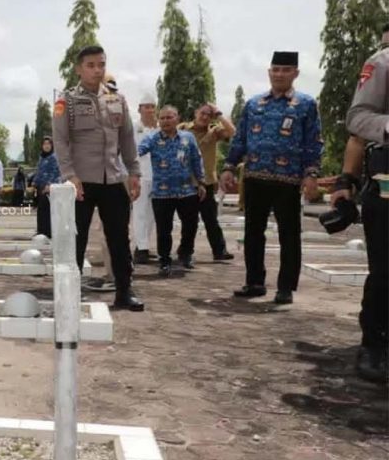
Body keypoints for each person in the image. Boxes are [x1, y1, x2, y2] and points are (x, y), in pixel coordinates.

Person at [220, 51, 323, 304]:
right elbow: (240, 138)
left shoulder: (306, 104)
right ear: (269, 72)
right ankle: (255, 282)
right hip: (255, 177)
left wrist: (311, 174)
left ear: (295, 73)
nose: (279, 74)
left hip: (288, 179)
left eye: (285, 70)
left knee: (289, 235)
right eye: (275, 69)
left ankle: (285, 287)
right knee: (253, 233)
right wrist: (229, 167)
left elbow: (313, 142)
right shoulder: (254, 104)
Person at [52, 45, 144, 311]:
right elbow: (61, 140)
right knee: (76, 240)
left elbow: (127, 139)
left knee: (119, 239)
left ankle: (124, 292)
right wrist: (70, 175)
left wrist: (134, 172)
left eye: (101, 64)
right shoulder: (66, 101)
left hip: (113, 178)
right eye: (91, 65)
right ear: (79, 69)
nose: (97, 70)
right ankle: (70, 294)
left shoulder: (117, 100)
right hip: (80, 182)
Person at [339, 21, 389, 380]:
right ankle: (375, 343)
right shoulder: (383, 62)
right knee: (386, 270)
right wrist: (347, 180)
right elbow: (357, 119)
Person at [138, 105, 206, 275]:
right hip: (162, 193)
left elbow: (196, 160)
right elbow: (137, 152)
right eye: (162, 118)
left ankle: (185, 254)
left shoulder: (188, 138)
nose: (165, 121)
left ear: (177, 118)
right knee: (163, 230)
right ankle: (164, 261)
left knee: (190, 225)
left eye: (169, 117)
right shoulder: (151, 138)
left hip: (186, 191)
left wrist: (201, 182)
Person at [180, 102, 235, 262]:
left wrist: (218, 114)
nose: (204, 117)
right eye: (202, 113)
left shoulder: (215, 131)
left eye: (209, 115)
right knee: (189, 220)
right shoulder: (183, 129)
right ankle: (185, 252)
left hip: (207, 181)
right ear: (196, 113)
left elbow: (232, 132)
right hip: (187, 181)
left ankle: (219, 251)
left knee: (210, 218)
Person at [131, 94, 158, 264]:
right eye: (146, 107)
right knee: (139, 212)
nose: (149, 110)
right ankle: (141, 248)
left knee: (152, 214)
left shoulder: (159, 129)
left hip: (157, 176)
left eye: (152, 107)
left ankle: (144, 245)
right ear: (139, 109)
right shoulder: (133, 128)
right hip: (139, 175)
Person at [32, 136, 61, 237]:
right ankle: (41, 231)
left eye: (49, 144)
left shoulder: (54, 157)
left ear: (52, 145)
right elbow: (39, 172)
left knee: (48, 210)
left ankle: (48, 232)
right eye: (45, 144)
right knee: (41, 210)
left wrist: (49, 185)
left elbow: (56, 172)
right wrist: (34, 182)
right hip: (41, 187)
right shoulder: (42, 157)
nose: (46, 146)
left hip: (50, 188)